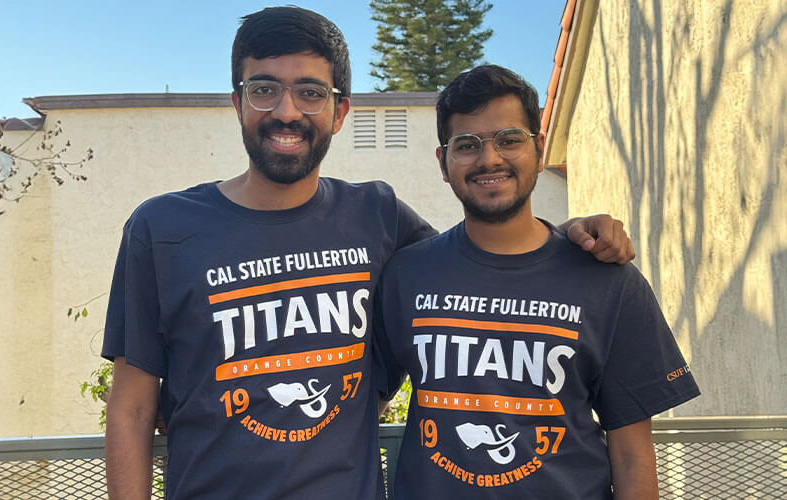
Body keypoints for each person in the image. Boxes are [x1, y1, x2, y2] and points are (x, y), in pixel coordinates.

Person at [102, 7, 635, 500]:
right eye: (264, 89)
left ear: (339, 112)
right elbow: (130, 408)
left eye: (310, 92)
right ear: (238, 102)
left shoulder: (377, 215)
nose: (287, 111)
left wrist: (569, 237)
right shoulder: (162, 227)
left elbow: (484, 260)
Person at [374, 65, 700, 499]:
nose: (489, 159)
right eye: (467, 145)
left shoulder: (609, 282)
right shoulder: (406, 275)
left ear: (539, 149)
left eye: (509, 140)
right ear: (443, 161)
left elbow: (633, 457)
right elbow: (363, 408)